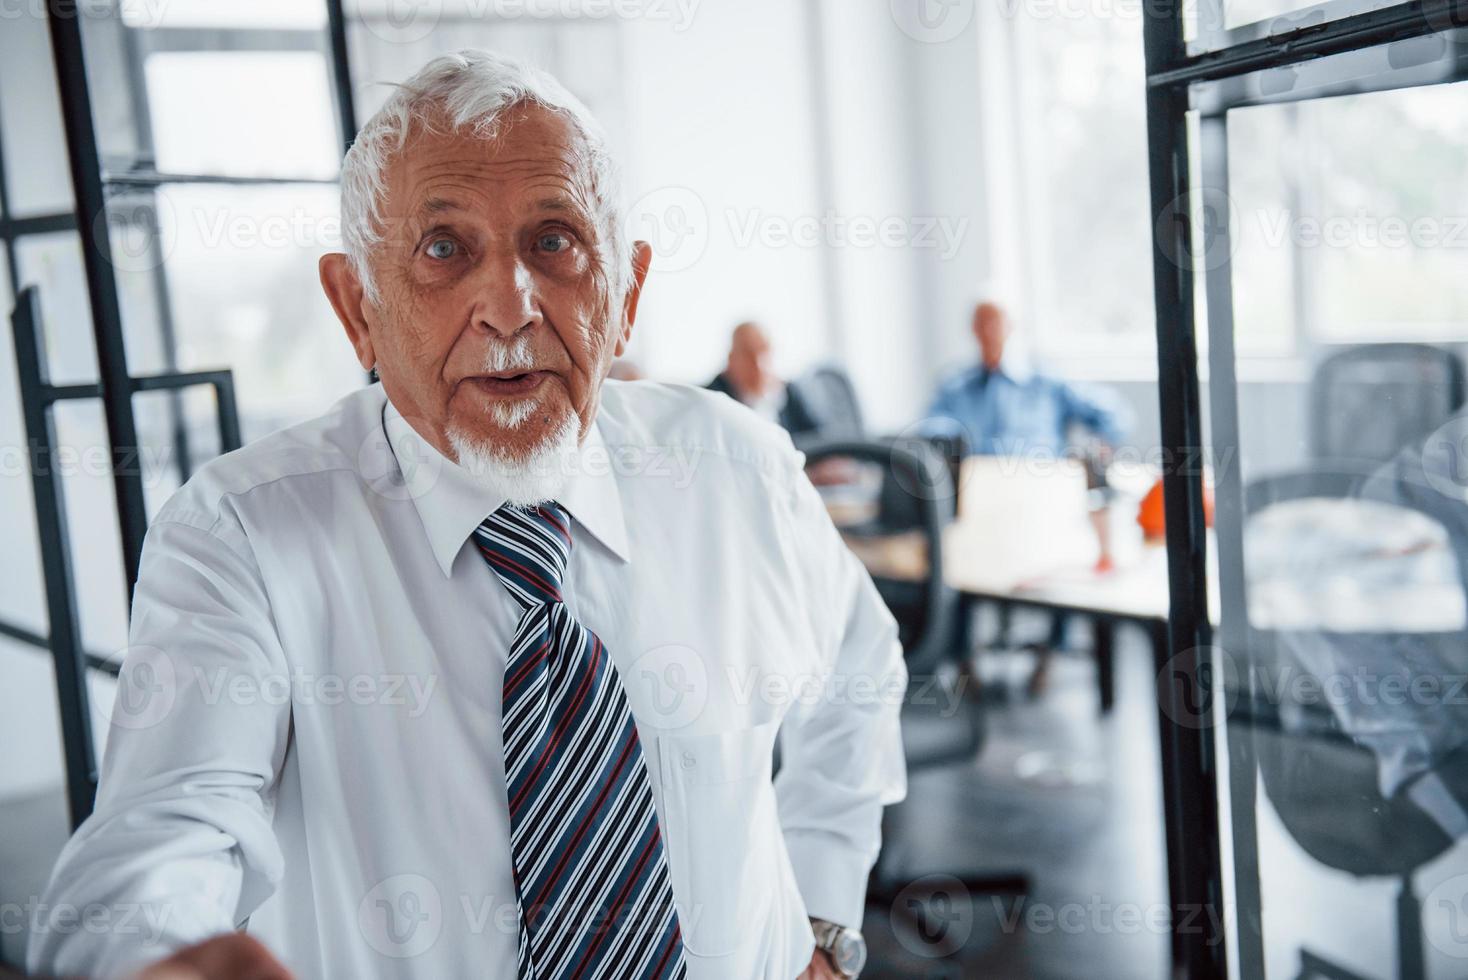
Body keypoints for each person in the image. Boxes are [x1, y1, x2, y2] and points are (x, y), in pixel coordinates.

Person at [29, 51, 904, 980]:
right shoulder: (242, 536)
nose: (508, 306)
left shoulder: (739, 470)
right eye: (444, 249)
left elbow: (860, 664)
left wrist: (824, 920)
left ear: (627, 294)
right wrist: (160, 957)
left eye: (554, 242)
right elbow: (159, 839)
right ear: (356, 307)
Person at [924, 300, 1132, 684]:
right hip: (978, 507)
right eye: (981, 323)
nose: (989, 331)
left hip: (1041, 509)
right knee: (948, 555)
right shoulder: (955, 388)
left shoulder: (1046, 382)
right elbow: (925, 435)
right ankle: (963, 661)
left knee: (1068, 552)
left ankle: (1051, 653)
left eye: (996, 322)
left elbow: (1114, 416)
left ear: (1010, 327)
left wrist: (1104, 442)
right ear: (973, 331)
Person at [706, 322, 823, 442]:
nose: (759, 365)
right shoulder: (711, 400)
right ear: (731, 359)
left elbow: (818, 438)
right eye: (748, 355)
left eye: (764, 352)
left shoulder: (788, 392)